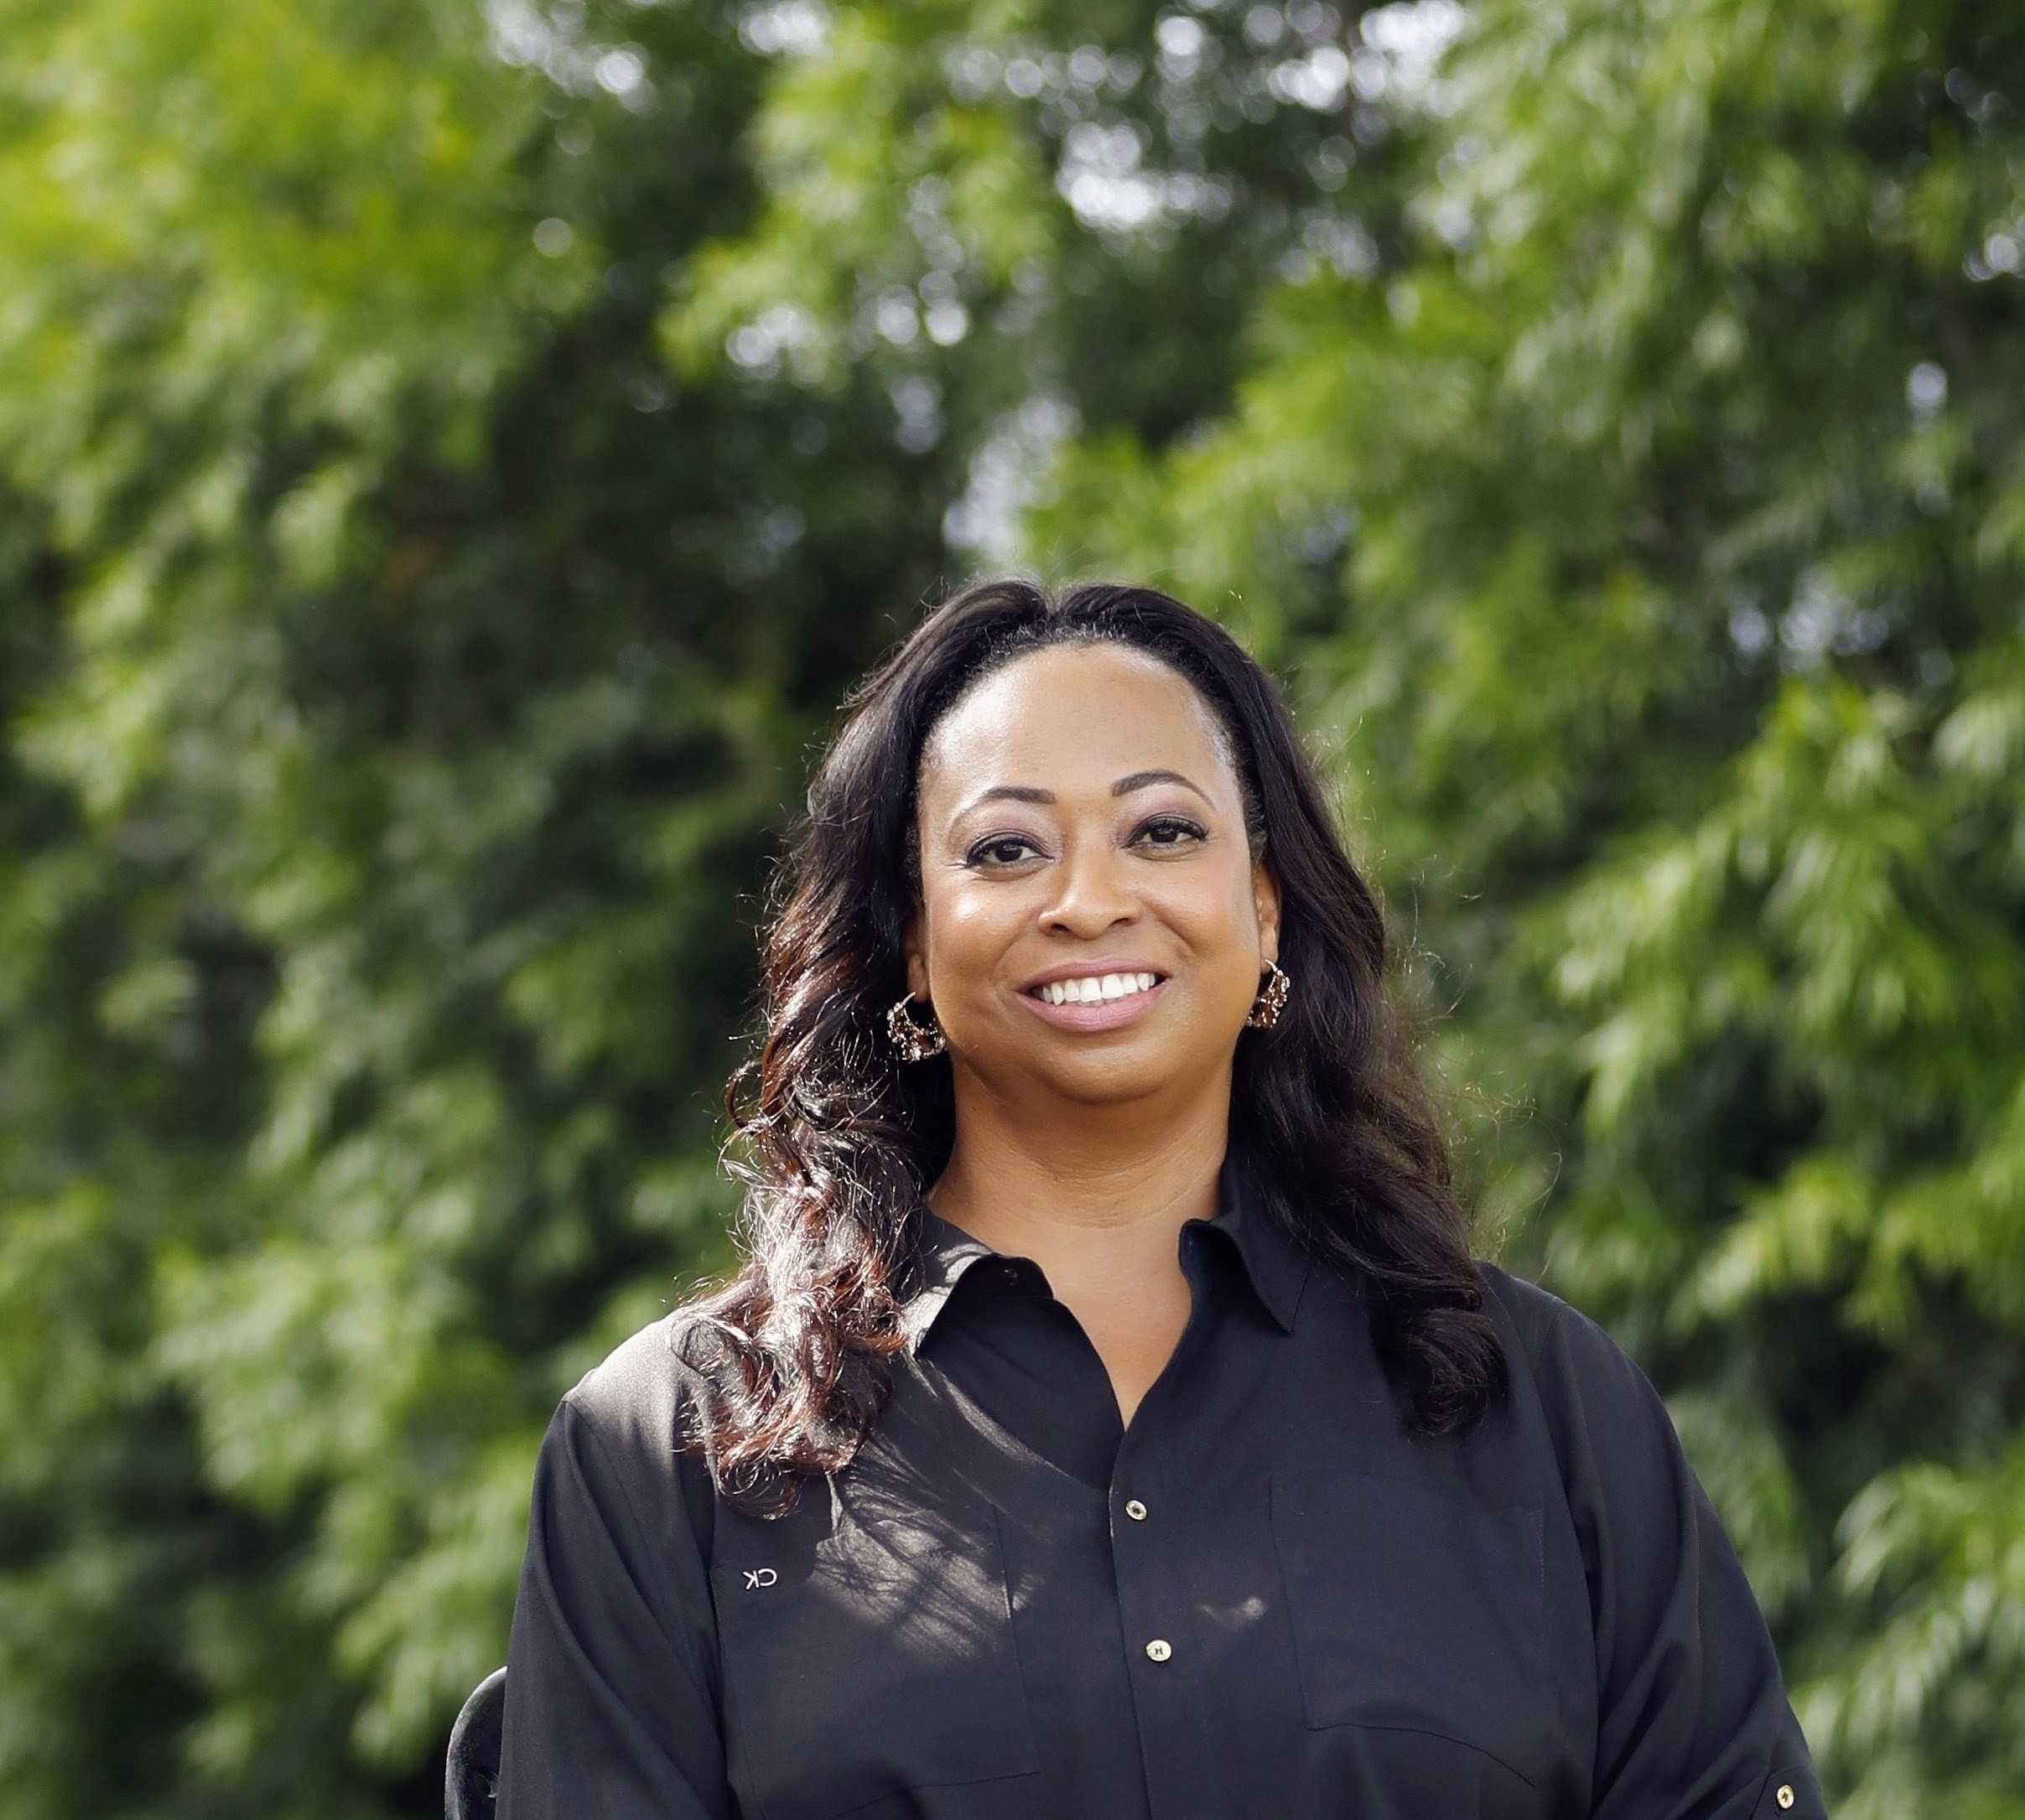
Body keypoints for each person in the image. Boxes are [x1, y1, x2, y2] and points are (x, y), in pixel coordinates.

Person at [495, 578, 1827, 1820]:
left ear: (1265, 907)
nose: (1089, 900)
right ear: (912, 942)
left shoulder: (1543, 1409)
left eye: (1163, 831)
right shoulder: (669, 1455)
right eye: (1006, 848)